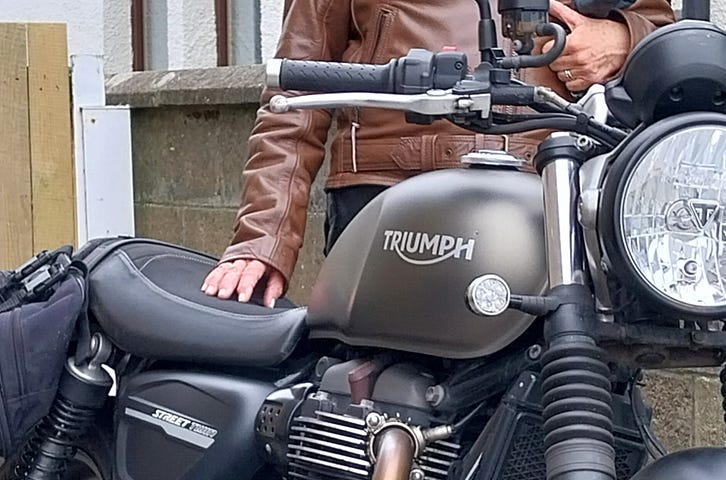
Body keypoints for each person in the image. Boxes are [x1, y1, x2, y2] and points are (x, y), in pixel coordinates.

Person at [203, 0, 677, 307]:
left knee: (580, 390)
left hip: (553, 200)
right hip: (389, 199)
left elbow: (667, 38)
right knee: (375, 394)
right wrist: (262, 242)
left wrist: (621, 38)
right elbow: (295, 94)